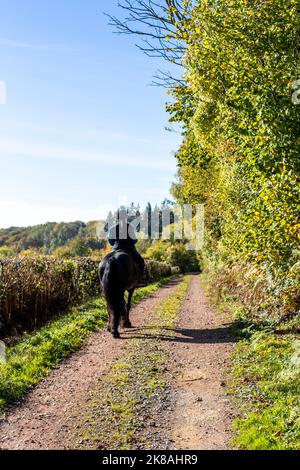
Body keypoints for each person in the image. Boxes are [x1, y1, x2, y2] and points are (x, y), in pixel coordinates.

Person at [108, 210, 145, 285]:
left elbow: (111, 242)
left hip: (115, 250)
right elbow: (133, 240)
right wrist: (134, 241)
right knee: (141, 261)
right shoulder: (130, 227)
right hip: (129, 249)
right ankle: (140, 280)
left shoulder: (112, 228)